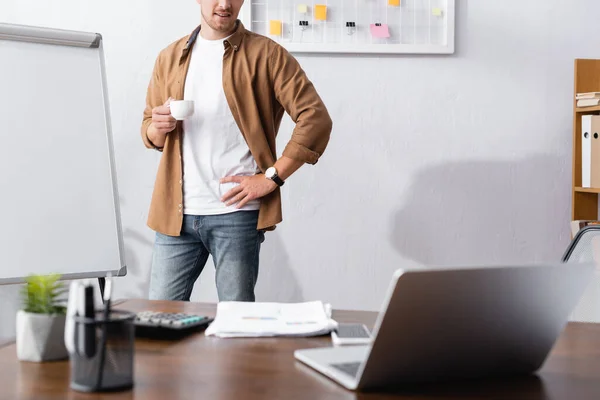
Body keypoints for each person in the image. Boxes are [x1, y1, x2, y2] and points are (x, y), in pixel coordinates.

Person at [141, 0, 332, 302]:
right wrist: (157, 128)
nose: (224, 4)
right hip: (175, 214)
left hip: (237, 214)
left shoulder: (267, 55)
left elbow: (315, 118)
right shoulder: (170, 57)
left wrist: (272, 177)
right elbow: (149, 130)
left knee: (238, 324)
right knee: (158, 320)